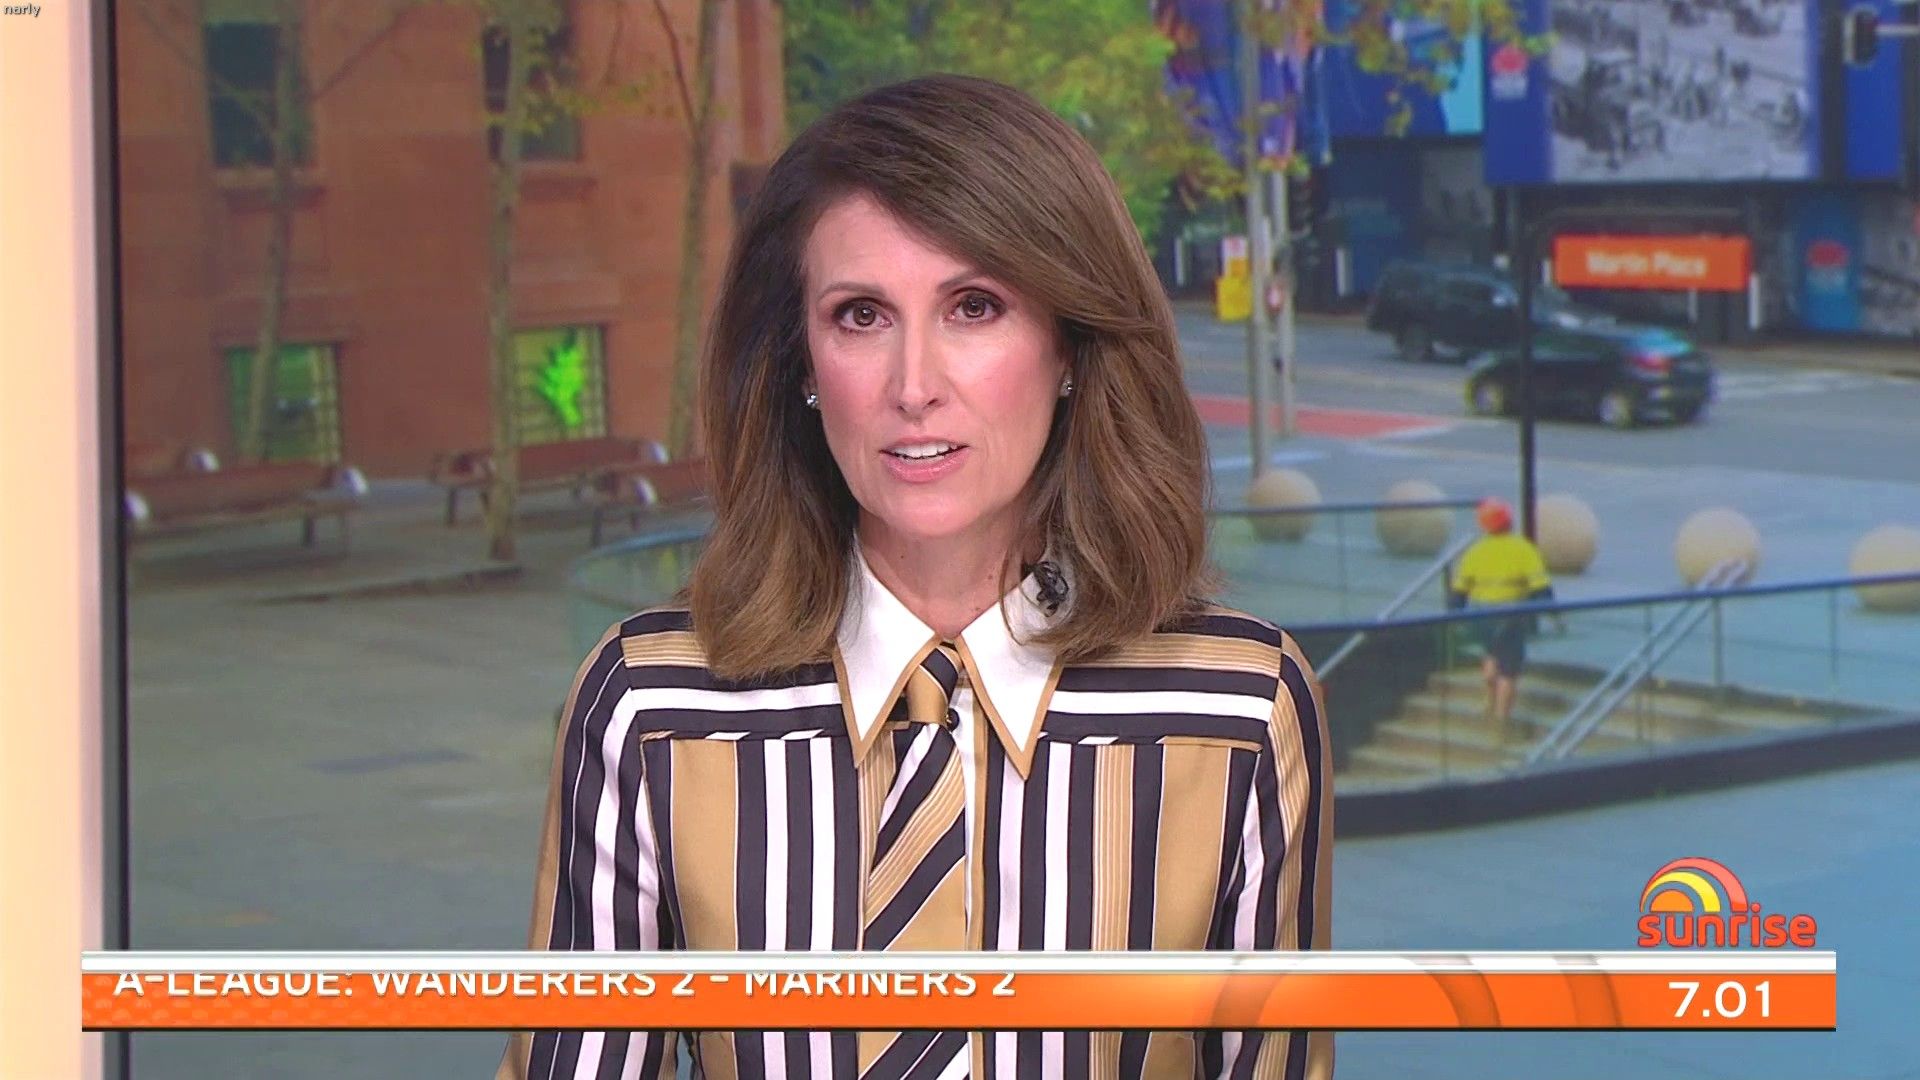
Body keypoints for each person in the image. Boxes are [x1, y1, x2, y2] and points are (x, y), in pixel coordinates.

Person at [499, 74, 1333, 1079]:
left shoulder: (1241, 709)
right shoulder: (648, 704)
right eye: (861, 316)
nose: (913, 386)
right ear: (802, 362)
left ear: (1070, 345)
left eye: (974, 307)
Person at [1448, 498, 1556, 741]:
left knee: (1490, 653)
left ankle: (1488, 695)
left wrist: (1454, 616)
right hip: (1511, 616)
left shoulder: (1475, 551)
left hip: (1481, 614)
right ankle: (1500, 719)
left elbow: (1459, 591)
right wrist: (1552, 611)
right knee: (1509, 669)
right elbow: (1540, 586)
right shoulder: (1523, 549)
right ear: (1509, 521)